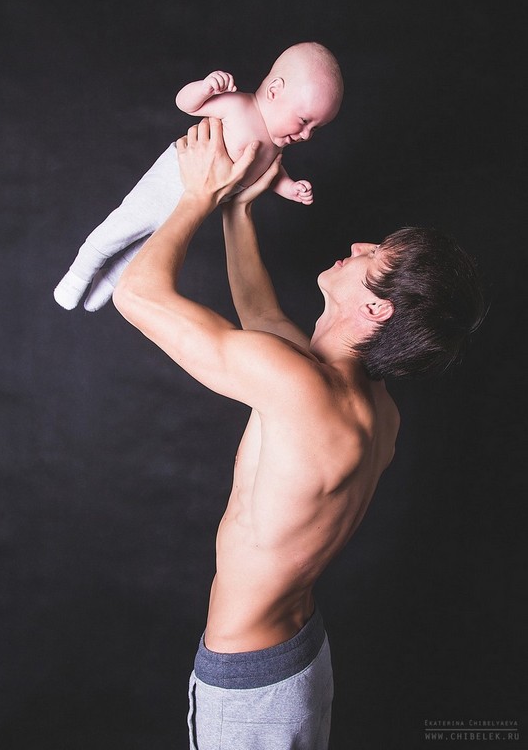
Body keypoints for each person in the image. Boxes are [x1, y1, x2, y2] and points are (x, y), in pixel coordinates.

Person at [112, 118, 485, 750]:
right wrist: (238, 208)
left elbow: (136, 295)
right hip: (295, 655)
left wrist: (198, 195)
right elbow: (260, 316)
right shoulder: (368, 404)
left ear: (376, 309)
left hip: (250, 686)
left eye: (373, 256)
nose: (359, 244)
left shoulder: (302, 390)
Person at [53, 41, 343, 312]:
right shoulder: (238, 106)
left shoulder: (276, 145)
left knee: (148, 249)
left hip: (195, 206)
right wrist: (205, 88)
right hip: (170, 181)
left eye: (315, 128)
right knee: (122, 227)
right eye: (304, 121)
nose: (306, 135)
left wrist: (289, 187)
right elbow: (186, 104)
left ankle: (107, 282)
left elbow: (271, 173)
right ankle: (80, 272)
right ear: (274, 90)